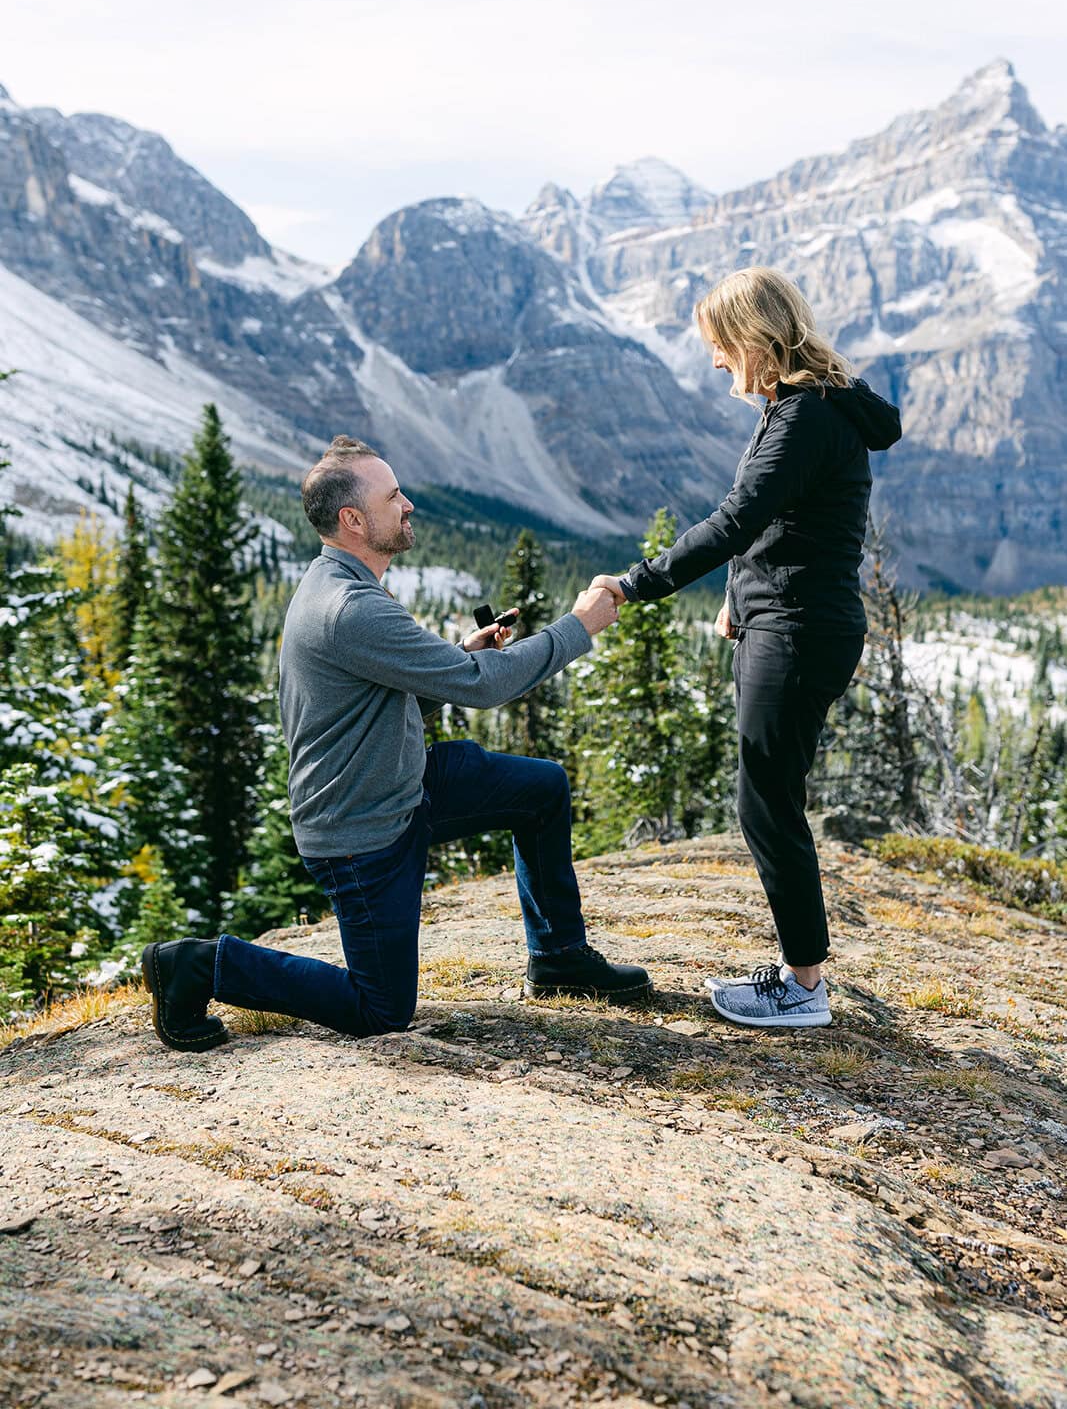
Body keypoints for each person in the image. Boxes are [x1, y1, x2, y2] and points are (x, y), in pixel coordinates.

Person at [143, 436, 651, 1051]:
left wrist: (457, 658)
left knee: (540, 789)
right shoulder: (348, 606)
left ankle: (561, 957)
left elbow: (388, 696)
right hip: (362, 829)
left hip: (402, 782)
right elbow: (484, 690)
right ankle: (196, 964)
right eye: (393, 497)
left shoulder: (343, 582)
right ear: (353, 520)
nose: (408, 504)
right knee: (380, 1009)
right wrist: (580, 626)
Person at [594, 267, 901, 1030]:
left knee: (766, 803)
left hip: (797, 630)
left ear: (755, 338)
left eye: (718, 345)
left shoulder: (803, 417)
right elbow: (777, 524)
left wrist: (630, 587)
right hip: (786, 621)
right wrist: (740, 596)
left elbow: (734, 520)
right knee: (767, 797)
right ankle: (803, 976)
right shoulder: (809, 408)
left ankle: (803, 989)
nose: (713, 360)